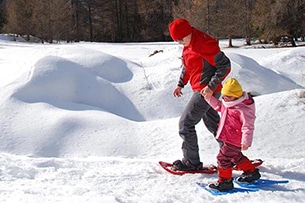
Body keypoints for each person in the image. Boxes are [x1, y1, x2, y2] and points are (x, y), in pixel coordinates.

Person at [168, 18, 231, 171]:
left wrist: (211, 87)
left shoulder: (203, 44)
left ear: (188, 33)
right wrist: (180, 83)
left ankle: (191, 162)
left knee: (185, 124)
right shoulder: (188, 44)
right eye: (176, 40)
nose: (179, 42)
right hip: (204, 90)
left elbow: (225, 65)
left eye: (180, 39)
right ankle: (231, 155)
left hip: (207, 91)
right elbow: (188, 66)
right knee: (215, 124)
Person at [202, 78, 261, 191]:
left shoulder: (243, 109)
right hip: (228, 138)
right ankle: (251, 172)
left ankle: (225, 182)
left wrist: (246, 142)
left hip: (235, 139)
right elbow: (219, 106)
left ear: (236, 95)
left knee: (222, 158)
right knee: (236, 156)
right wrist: (209, 97)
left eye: (228, 96)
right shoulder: (229, 103)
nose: (225, 98)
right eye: (224, 96)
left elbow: (248, 126)